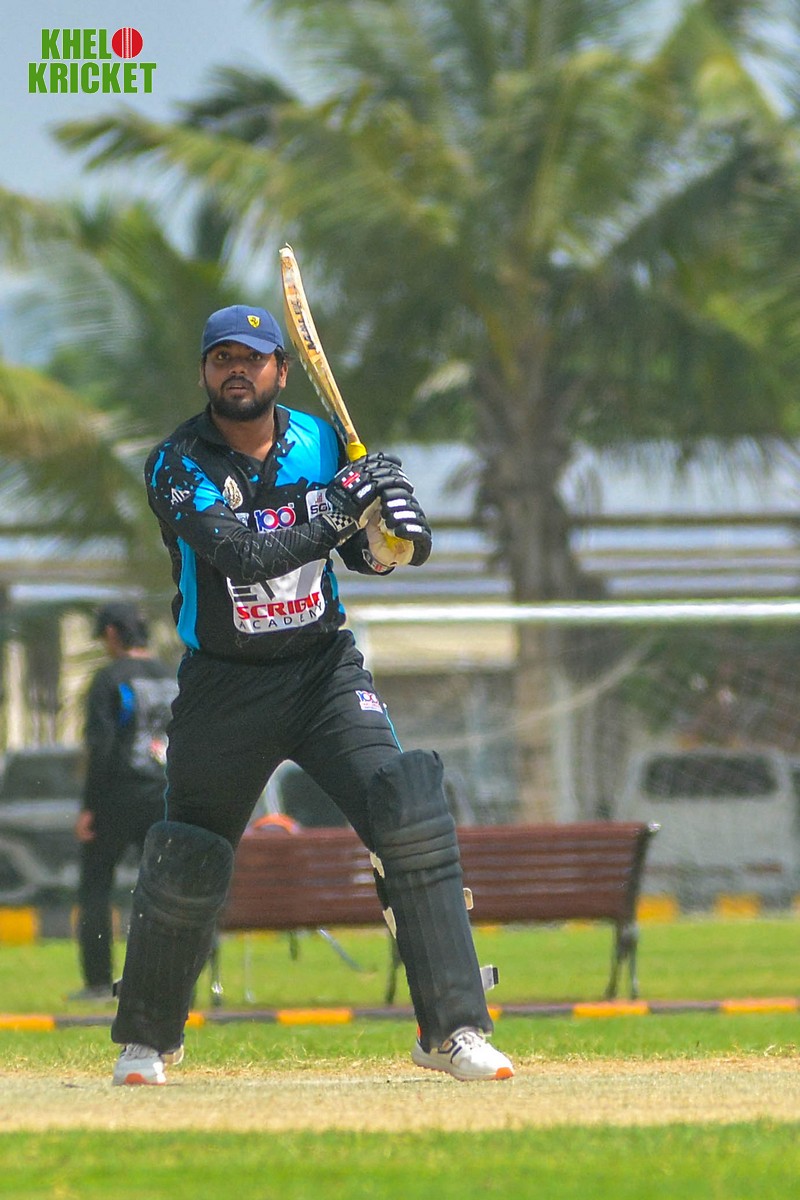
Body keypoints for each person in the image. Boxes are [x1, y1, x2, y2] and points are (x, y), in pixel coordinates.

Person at [110, 303, 514, 1085]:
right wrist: (339, 508)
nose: (237, 369)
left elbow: (357, 552)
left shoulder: (322, 442)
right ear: (205, 372)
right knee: (190, 849)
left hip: (323, 673)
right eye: (222, 357)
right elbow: (242, 555)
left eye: (253, 357)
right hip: (224, 683)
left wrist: (389, 541)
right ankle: (148, 1041)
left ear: (281, 372)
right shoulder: (176, 464)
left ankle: (452, 1030)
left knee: (408, 808)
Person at [70, 603, 177, 1002]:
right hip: (163, 794)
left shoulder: (108, 679)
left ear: (113, 633)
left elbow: (101, 747)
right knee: (163, 889)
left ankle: (98, 982)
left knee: (96, 888)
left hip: (117, 796)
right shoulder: (170, 676)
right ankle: (164, 978)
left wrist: (89, 807)